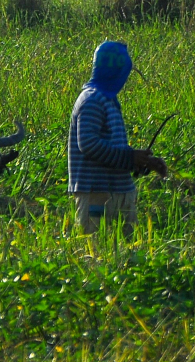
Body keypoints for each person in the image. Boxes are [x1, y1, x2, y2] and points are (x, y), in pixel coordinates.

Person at [67, 41, 167, 236]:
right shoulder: (92, 100)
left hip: (120, 192)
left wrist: (144, 163)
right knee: (96, 255)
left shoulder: (108, 100)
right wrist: (130, 157)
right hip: (97, 193)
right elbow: (88, 144)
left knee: (129, 257)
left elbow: (114, 150)